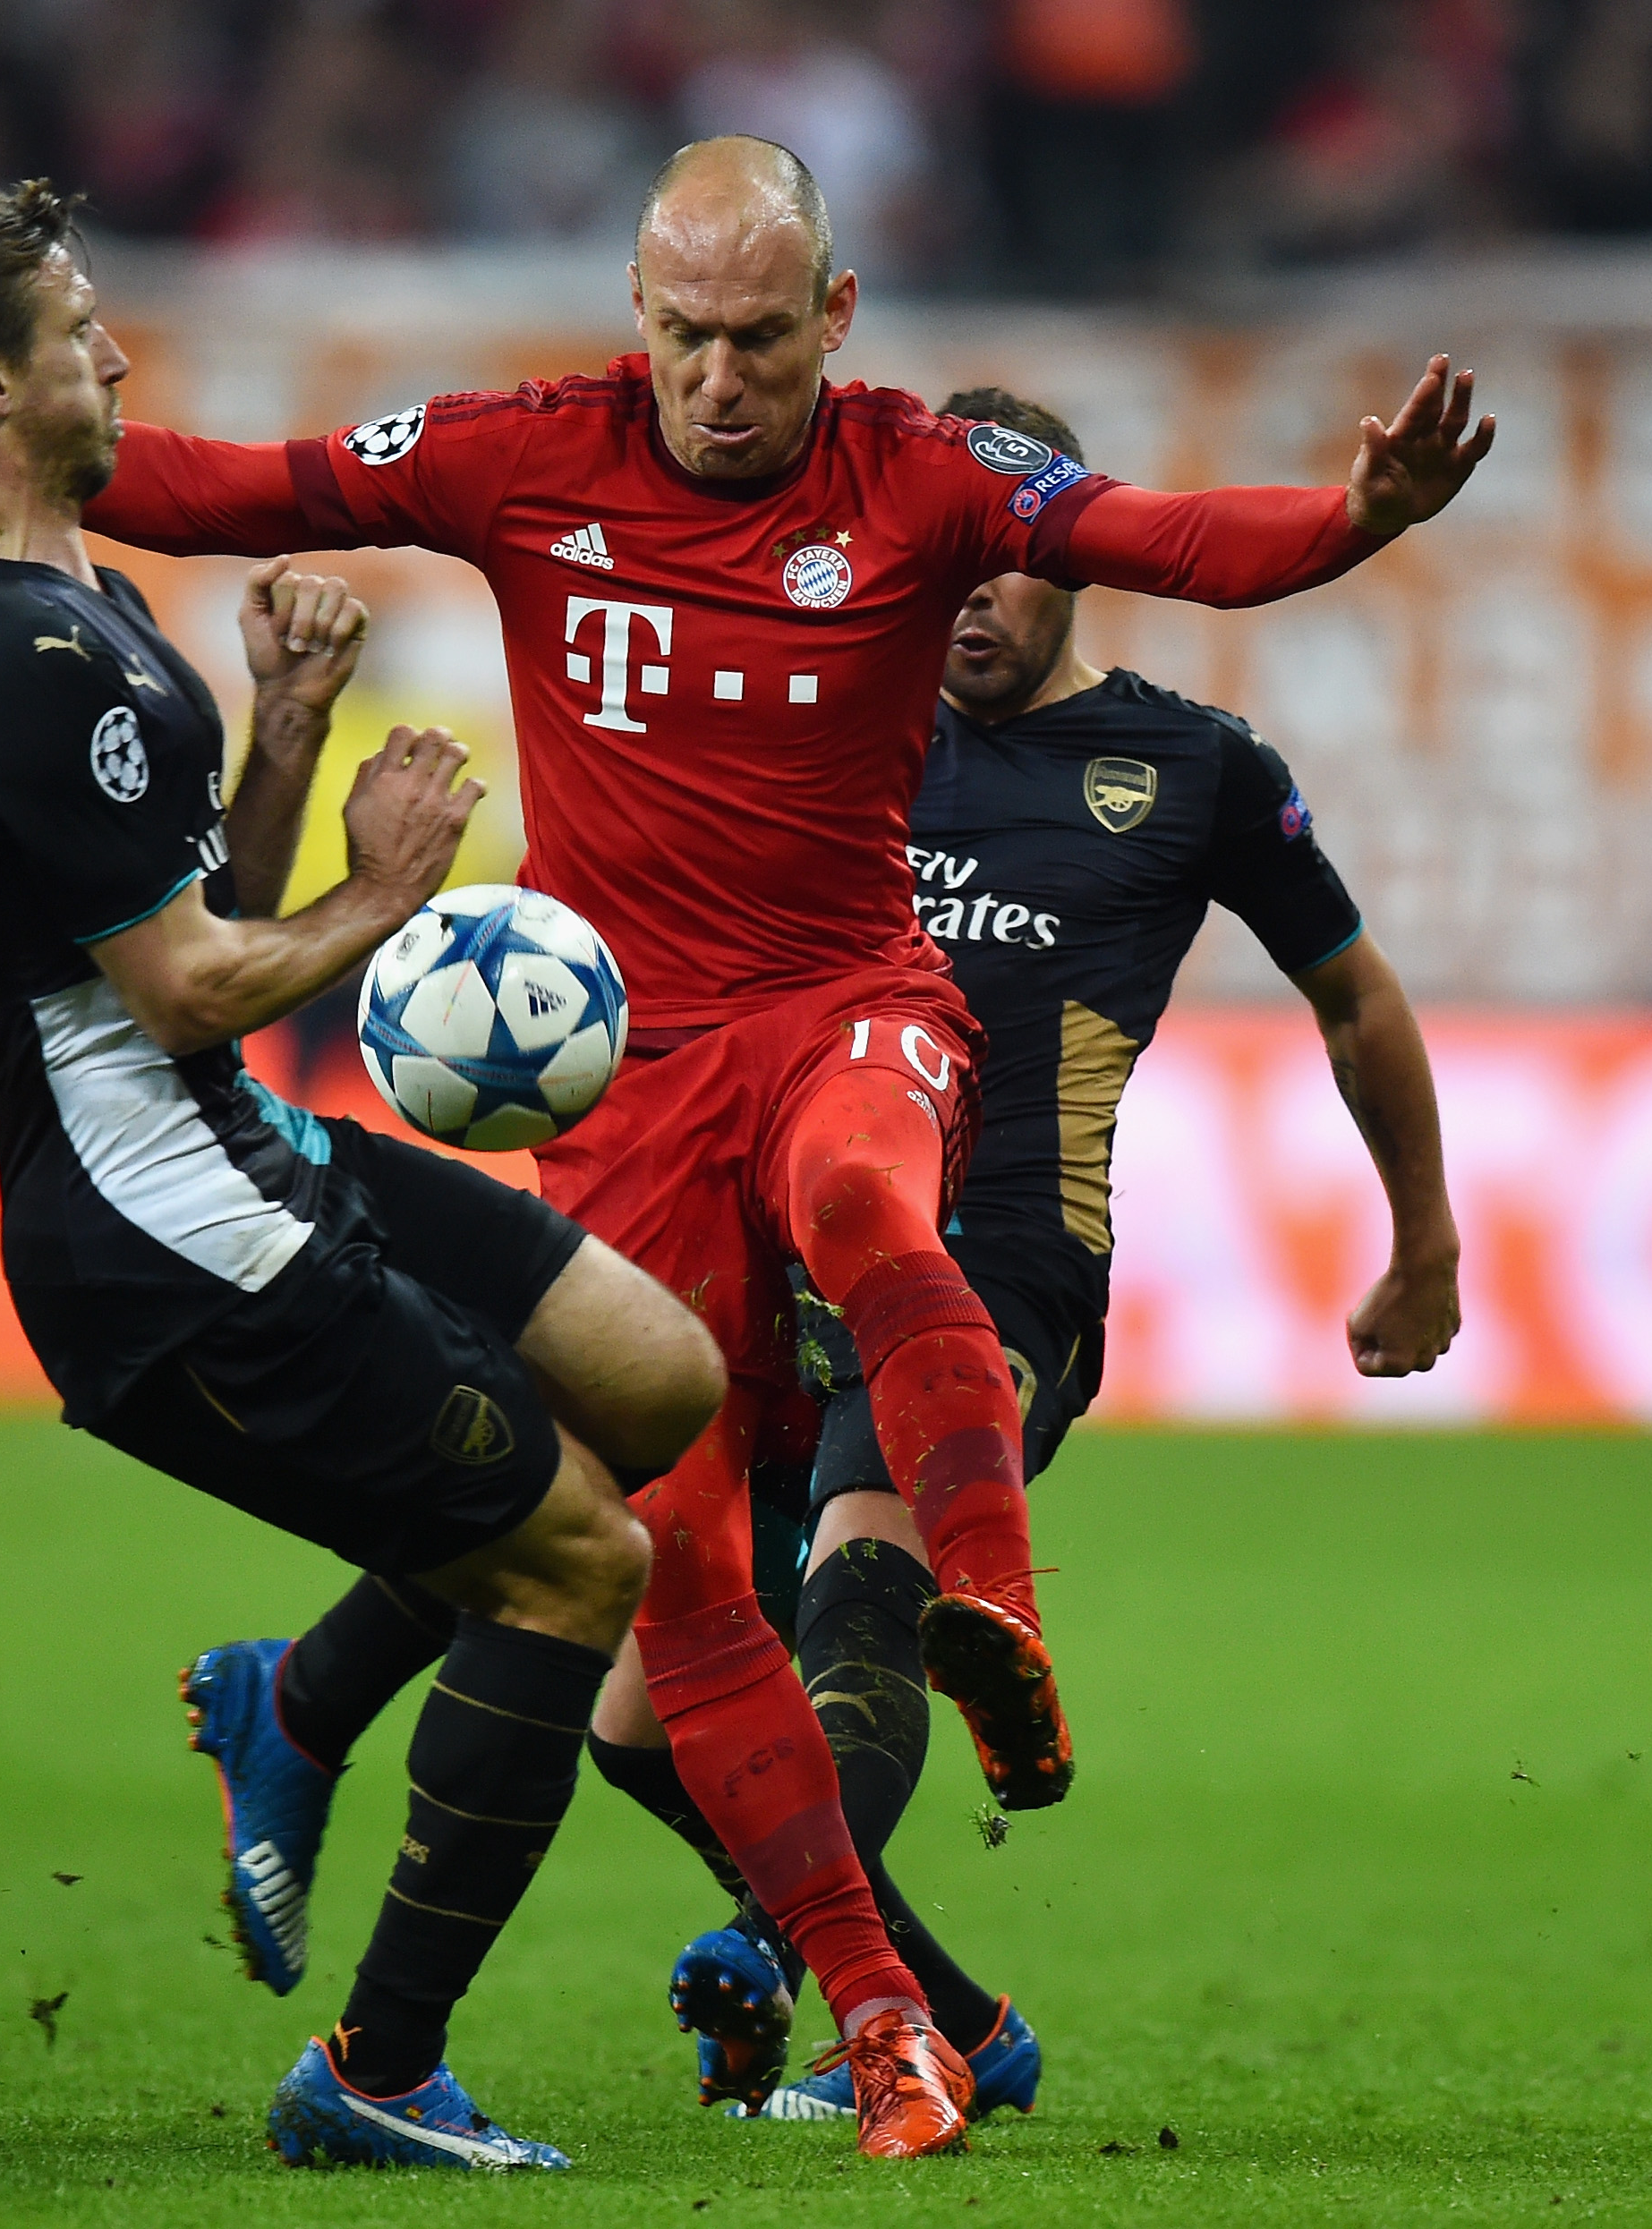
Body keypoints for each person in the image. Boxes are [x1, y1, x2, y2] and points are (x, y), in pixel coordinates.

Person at [0, 136, 1492, 2158]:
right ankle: (887, 2011)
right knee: (671, 1543)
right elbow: (217, 484)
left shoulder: (922, 475)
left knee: (858, 1201)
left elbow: (1175, 534)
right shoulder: (518, 458)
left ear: (833, 318)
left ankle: (988, 1607)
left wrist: (1353, 513)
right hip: (632, 1080)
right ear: (636, 320)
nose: (716, 381)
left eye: (755, 338)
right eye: (680, 337)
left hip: (845, 1008)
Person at [0, 182, 728, 2171]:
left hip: (240, 1147)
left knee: (654, 1378)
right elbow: (195, 984)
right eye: (76, 324)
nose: (114, 348)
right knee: (577, 1563)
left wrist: (283, 732)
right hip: (160, 1233)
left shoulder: (83, 608)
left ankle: (285, 1696)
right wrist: (387, 897)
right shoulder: (0, 662)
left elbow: (197, 916)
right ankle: (376, 2073)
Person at [623, 388, 1464, 2123]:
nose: (977, 603)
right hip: (767, 1260)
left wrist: (1424, 1239)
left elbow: (1352, 991)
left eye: (1009, 564)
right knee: (634, 1719)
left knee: (866, 1592)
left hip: (1002, 1270)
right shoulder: (820, 732)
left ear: (1058, 557)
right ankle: (957, 2012)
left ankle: (801, 1969)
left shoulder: (1194, 768)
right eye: (951, 568)